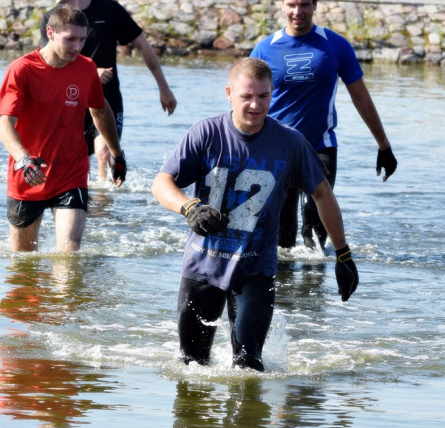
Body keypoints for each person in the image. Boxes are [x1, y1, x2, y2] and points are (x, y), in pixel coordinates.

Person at [151, 57, 359, 372]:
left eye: (263, 96)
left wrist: (342, 254)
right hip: (203, 266)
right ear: (229, 93)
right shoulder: (206, 134)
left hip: (256, 269)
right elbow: (162, 182)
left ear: (272, 94)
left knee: (249, 368)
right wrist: (188, 206)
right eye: (247, 96)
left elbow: (322, 194)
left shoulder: (290, 142)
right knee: (191, 367)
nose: (255, 105)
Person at [250, 0, 398, 252]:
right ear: (281, 4)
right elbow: (247, 102)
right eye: (292, 4)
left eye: (305, 4)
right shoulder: (264, 50)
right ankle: (285, 293)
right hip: (276, 146)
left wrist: (384, 145)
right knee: (282, 235)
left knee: (315, 226)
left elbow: (361, 96)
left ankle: (313, 290)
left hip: (321, 146)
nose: (298, 12)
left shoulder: (335, 45)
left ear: (315, 4)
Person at [0, 4, 127, 253]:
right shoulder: (22, 69)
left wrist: (117, 154)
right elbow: (5, 124)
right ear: (51, 32)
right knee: (24, 262)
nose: (77, 47)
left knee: (69, 252)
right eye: (70, 39)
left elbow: (99, 110)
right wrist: (23, 159)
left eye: (82, 40)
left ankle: (65, 294)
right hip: (29, 174)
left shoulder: (86, 67)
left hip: (71, 174)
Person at [40, 0, 177, 180]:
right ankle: (83, 204)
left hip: (107, 101)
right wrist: (90, 74)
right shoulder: (52, 19)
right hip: (69, 100)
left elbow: (143, 46)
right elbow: (47, 62)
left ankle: (104, 208)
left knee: (103, 153)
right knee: (73, 163)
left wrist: (164, 88)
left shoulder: (109, 9)